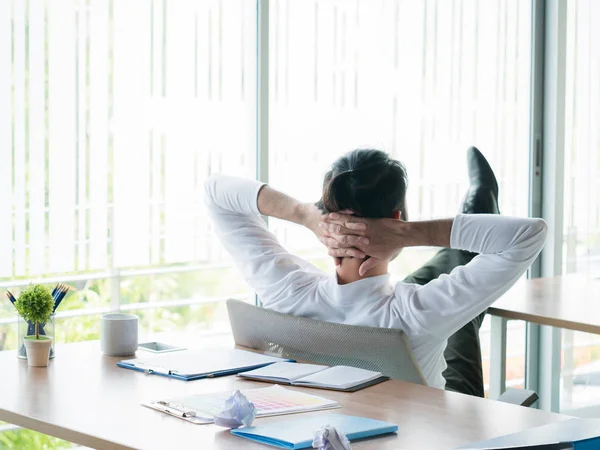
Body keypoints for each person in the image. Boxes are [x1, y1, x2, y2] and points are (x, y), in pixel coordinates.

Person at [205, 147, 547, 394]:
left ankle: (470, 217)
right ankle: (477, 207)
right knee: (458, 315)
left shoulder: (286, 291)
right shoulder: (418, 312)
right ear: (398, 218)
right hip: (438, 427)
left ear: (328, 212)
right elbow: (529, 234)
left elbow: (215, 192)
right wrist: (413, 234)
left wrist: (304, 215)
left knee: (439, 288)